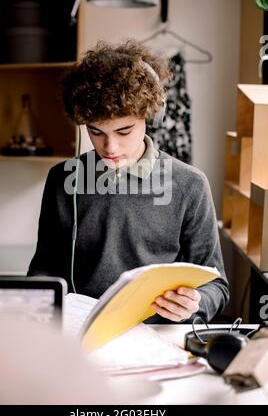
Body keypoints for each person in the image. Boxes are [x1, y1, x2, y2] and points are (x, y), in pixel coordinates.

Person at [28, 40, 229, 323]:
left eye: (124, 131)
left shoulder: (190, 185)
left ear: (151, 117)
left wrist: (196, 303)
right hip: (81, 335)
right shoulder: (63, 179)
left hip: (159, 338)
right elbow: (44, 268)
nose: (110, 147)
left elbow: (216, 286)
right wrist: (38, 301)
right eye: (96, 132)